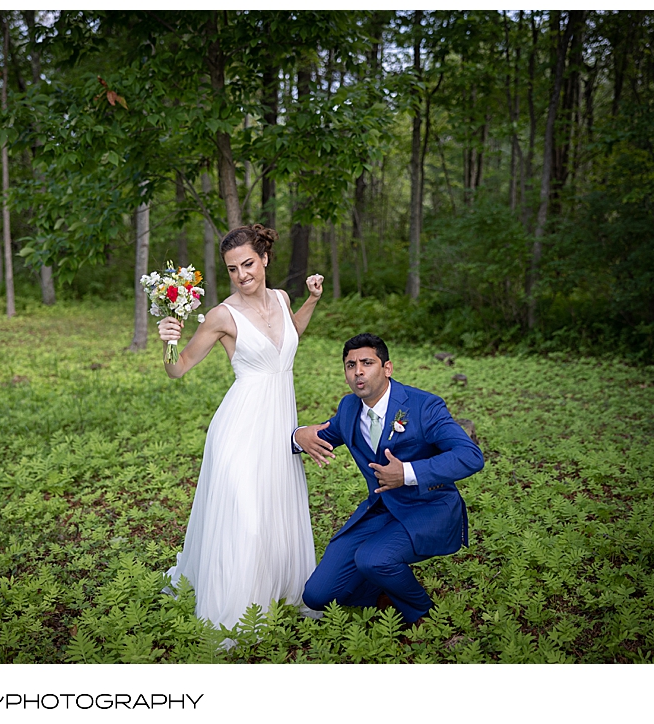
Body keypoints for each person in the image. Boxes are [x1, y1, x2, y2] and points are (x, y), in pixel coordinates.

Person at [156, 223, 324, 633]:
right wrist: (169, 341)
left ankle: (278, 591)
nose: (242, 274)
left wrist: (312, 300)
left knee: (275, 508)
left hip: (279, 424)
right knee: (246, 514)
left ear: (264, 259)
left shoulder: (283, 299)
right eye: (232, 269)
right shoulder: (221, 315)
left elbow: (291, 334)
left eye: (248, 263)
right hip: (240, 429)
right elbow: (177, 370)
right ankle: (237, 611)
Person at [294, 333, 484, 628]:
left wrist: (407, 473)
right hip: (382, 508)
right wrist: (299, 435)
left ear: (387, 368)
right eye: (350, 365)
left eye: (367, 362)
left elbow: (470, 455)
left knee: (373, 558)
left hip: (429, 507)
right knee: (317, 595)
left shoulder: (424, 407)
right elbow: (319, 436)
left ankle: (423, 613)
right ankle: (385, 590)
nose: (358, 371)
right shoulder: (348, 409)